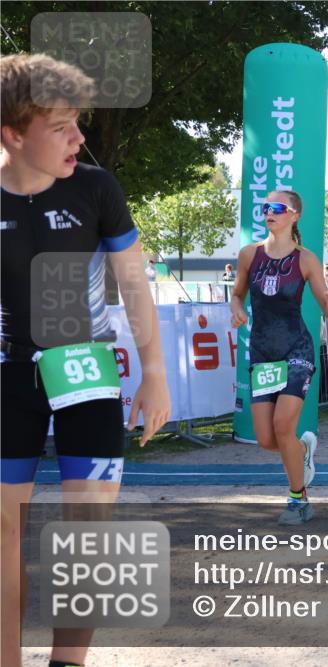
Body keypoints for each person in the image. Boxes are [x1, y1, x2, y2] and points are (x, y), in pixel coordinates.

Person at [1, 53, 172, 667]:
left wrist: (154, 374)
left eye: (80, 123)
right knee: (3, 537)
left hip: (87, 368)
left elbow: (133, 282)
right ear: (13, 136)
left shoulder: (97, 187)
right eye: (62, 127)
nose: (80, 138)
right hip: (8, 373)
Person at [230, 191, 328, 526]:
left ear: (294, 215)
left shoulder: (305, 259)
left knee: (283, 426)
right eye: (266, 208)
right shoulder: (249, 255)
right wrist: (237, 309)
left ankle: (298, 499)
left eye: (277, 208)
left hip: (297, 350)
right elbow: (238, 293)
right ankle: (302, 453)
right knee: (267, 439)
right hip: (263, 352)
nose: (269, 212)